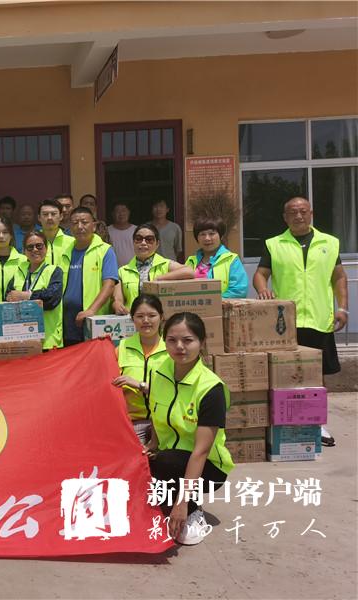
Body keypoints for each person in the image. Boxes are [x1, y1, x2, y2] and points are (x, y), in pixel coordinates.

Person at [114, 312, 233, 545]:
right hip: (168, 455)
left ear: (201, 343)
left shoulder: (211, 388)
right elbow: (157, 411)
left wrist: (182, 503)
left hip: (206, 467)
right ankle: (169, 500)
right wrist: (152, 444)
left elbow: (201, 451)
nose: (179, 347)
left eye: (188, 340)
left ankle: (191, 508)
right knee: (136, 460)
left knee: (167, 462)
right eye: (172, 340)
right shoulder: (159, 372)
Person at [253, 196, 348, 446]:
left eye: (303, 211)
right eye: (293, 212)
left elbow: (339, 277)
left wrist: (343, 308)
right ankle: (285, 423)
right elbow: (260, 274)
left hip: (319, 319)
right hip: (285, 323)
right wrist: (263, 290)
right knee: (284, 373)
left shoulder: (330, 243)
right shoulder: (274, 244)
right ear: (285, 217)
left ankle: (318, 423)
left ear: (311, 214)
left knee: (318, 374)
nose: (298, 216)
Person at [110, 294, 167, 443]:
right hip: (132, 423)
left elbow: (175, 391)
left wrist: (139, 385)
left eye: (152, 315)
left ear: (161, 317)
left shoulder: (171, 350)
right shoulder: (122, 348)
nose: (146, 321)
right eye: (140, 316)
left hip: (165, 422)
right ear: (132, 319)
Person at [59, 207, 118, 346]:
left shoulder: (105, 250)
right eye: (75, 223)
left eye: (84, 222)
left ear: (94, 226)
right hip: (66, 323)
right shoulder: (64, 252)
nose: (80, 227)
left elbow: (109, 285)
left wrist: (91, 310)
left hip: (94, 322)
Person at [113, 224, 194, 314]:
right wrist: (117, 304)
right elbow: (118, 299)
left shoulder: (165, 264)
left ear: (157, 244)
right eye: (138, 239)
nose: (143, 243)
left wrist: (160, 278)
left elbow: (190, 271)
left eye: (149, 239)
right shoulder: (122, 271)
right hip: (133, 318)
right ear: (133, 242)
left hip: (159, 318)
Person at [7, 231, 64, 350]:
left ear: (46, 248)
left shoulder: (54, 271)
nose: (35, 250)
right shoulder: (19, 271)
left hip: (48, 340)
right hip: (22, 339)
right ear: (24, 251)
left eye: (39, 246)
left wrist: (26, 296)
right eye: (30, 247)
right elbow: (8, 296)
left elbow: (52, 299)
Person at [186, 217, 248, 298]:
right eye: (202, 234)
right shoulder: (190, 261)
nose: (207, 238)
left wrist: (214, 302)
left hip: (223, 305)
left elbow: (239, 291)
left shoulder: (231, 260)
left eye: (211, 234)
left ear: (221, 236)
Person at [37, 198, 74, 266]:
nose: (49, 218)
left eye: (53, 214)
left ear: (61, 216)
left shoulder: (72, 242)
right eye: (45, 214)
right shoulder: (33, 243)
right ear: (39, 218)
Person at [107, 202, 137, 267]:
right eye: (117, 211)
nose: (121, 214)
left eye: (123, 211)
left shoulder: (137, 230)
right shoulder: (107, 231)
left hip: (133, 269)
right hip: (113, 269)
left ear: (129, 212)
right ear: (113, 214)